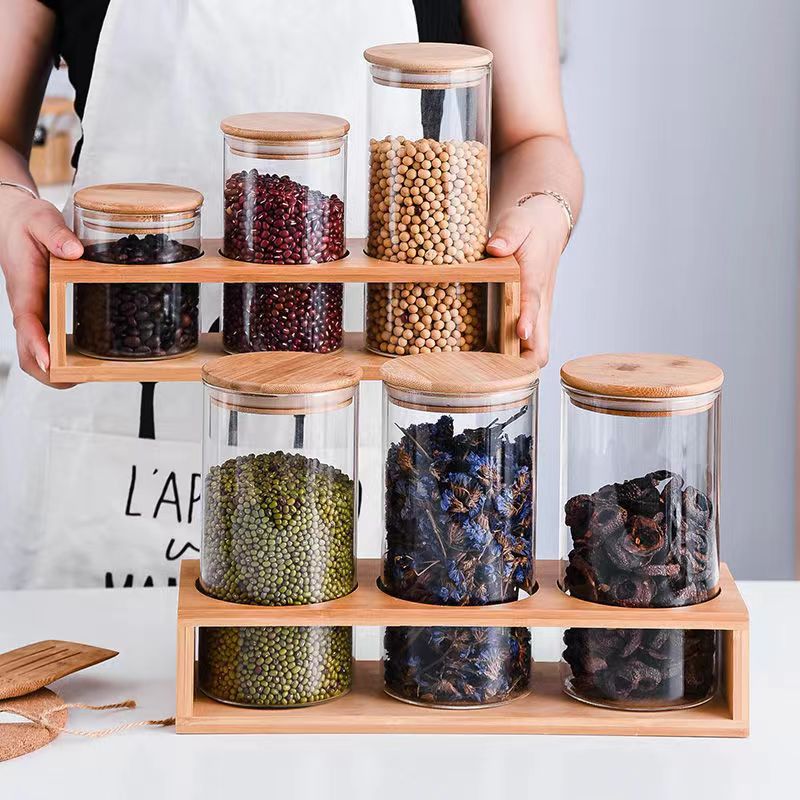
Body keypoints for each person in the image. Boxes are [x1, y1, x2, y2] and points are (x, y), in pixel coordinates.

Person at [0, 0, 583, 589]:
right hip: (113, 381)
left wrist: (544, 209)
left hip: (372, 396)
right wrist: (10, 205)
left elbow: (533, 139)